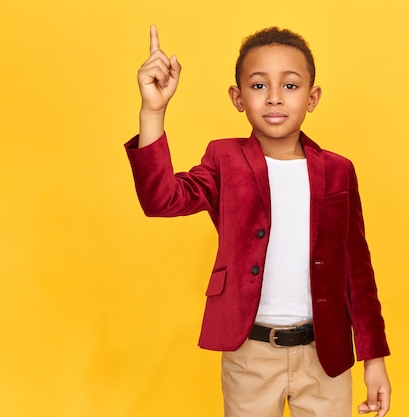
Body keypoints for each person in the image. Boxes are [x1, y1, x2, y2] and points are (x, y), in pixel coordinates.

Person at [125, 24, 391, 417]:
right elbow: (162, 200)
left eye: (290, 85)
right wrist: (153, 110)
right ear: (237, 97)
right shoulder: (224, 159)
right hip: (249, 354)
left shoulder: (338, 171)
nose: (274, 99)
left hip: (326, 357)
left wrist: (374, 358)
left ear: (312, 97)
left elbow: (358, 270)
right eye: (258, 85)